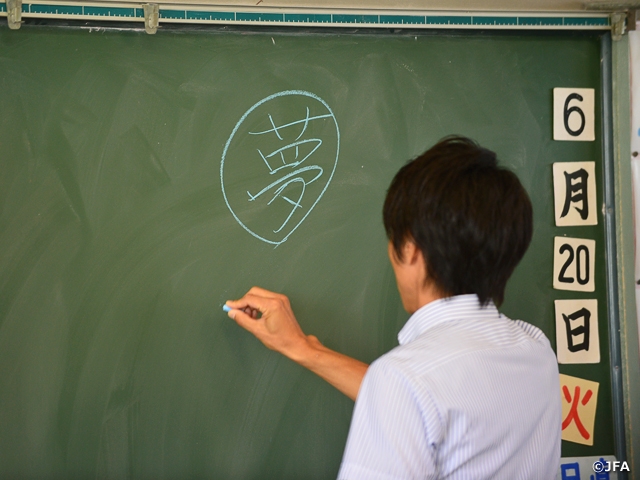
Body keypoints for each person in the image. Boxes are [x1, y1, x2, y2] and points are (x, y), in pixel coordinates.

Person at [224, 136, 561, 479]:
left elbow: (413, 396)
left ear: (410, 249)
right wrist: (303, 348)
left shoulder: (405, 381)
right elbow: (431, 402)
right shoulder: (536, 350)